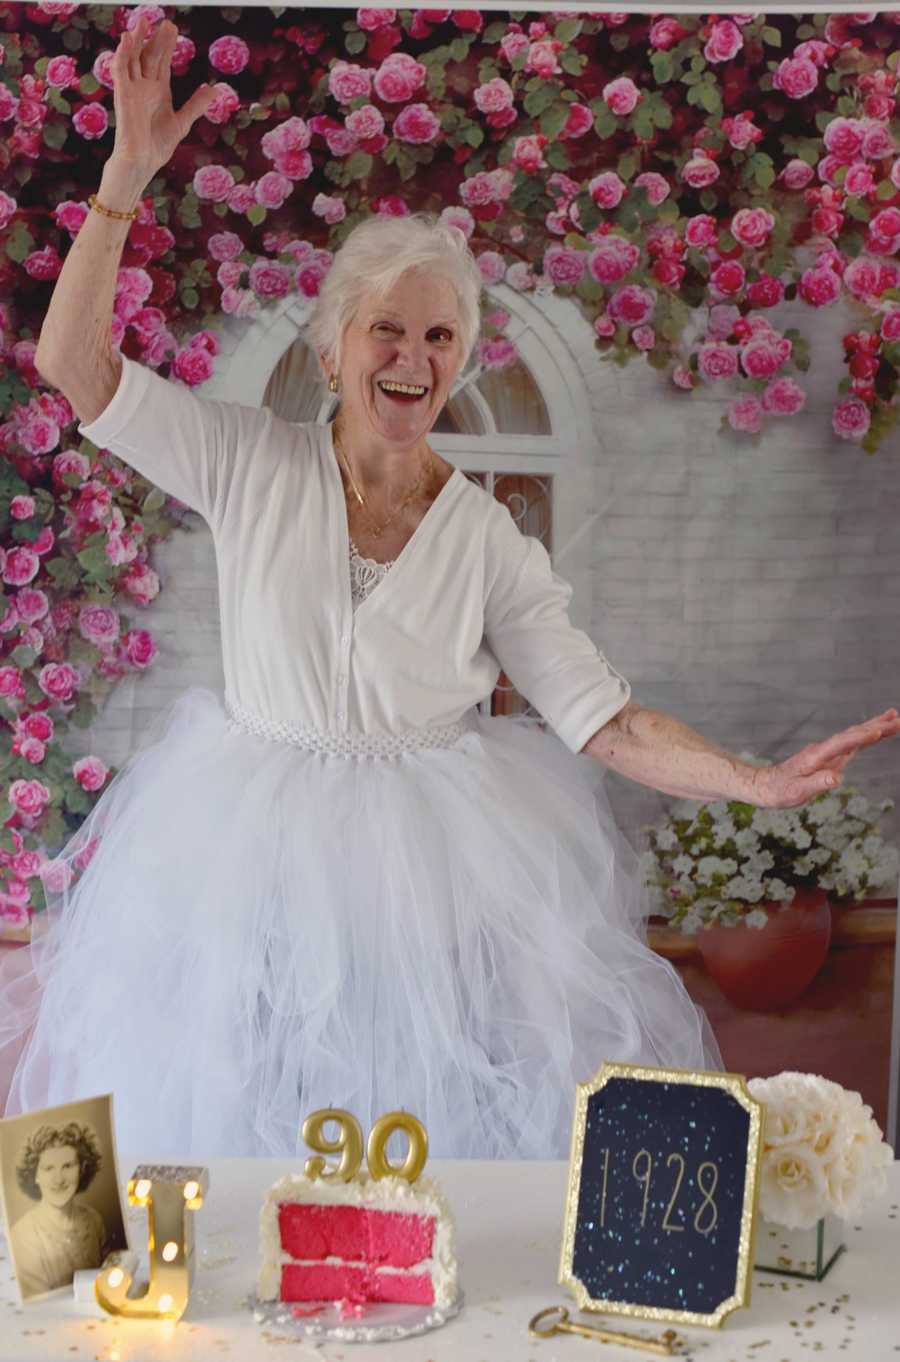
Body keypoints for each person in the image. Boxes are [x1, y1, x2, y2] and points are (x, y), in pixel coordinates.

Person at [2, 17, 897, 1159]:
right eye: (386, 330)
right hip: (241, 859)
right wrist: (124, 178)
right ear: (333, 351)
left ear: (460, 359)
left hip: (419, 889)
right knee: (228, 1134)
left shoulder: (489, 544)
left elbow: (605, 721)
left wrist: (753, 782)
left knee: (413, 1147)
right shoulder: (247, 460)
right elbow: (74, 370)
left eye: (438, 335)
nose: (411, 360)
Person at [10, 1122, 108, 1298]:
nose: (59, 1179)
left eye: (68, 1166)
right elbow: (40, 1305)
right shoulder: (22, 1235)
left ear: (82, 1169)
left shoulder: (94, 1220)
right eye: (48, 1168)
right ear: (35, 1175)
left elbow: (107, 1281)